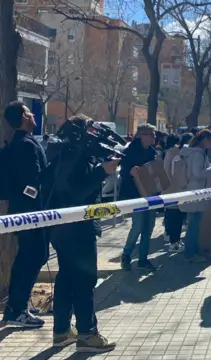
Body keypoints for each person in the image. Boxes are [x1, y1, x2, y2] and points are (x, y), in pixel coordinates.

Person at [47, 115, 118, 353]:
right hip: (77, 227)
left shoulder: (63, 151)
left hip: (62, 228)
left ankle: (62, 331)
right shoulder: (74, 155)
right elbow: (76, 191)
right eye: (90, 127)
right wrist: (101, 171)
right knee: (85, 280)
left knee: (66, 278)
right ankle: (88, 334)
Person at [1, 101, 49, 328]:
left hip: (26, 212)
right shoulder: (24, 145)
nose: (33, 115)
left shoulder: (22, 142)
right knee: (34, 255)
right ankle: (17, 309)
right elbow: (31, 182)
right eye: (29, 112)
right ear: (22, 118)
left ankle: (16, 306)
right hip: (30, 213)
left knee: (29, 256)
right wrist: (37, 201)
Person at [119, 123, 158, 271]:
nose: (154, 137)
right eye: (151, 134)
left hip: (151, 193)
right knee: (138, 225)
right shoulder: (130, 150)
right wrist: (130, 171)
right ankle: (126, 255)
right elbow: (123, 170)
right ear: (141, 135)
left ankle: (143, 259)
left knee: (149, 227)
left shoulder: (152, 151)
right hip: (135, 194)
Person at [179, 130, 211, 263]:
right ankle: (190, 253)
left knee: (194, 223)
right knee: (194, 224)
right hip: (196, 190)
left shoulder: (194, 153)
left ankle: (194, 250)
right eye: (210, 141)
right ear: (204, 139)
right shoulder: (197, 154)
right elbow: (198, 174)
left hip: (194, 190)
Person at [162, 134, 186, 252]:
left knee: (174, 216)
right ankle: (174, 242)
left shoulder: (171, 153)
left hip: (172, 190)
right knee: (175, 217)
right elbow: (176, 174)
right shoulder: (176, 155)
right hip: (174, 190)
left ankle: (174, 239)